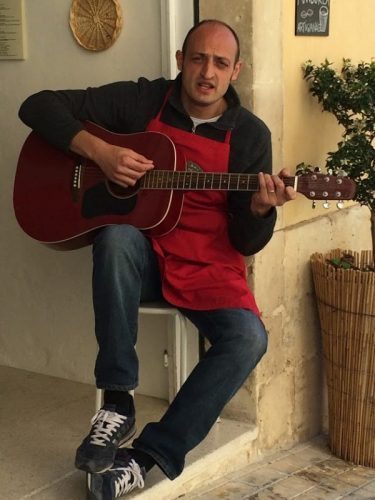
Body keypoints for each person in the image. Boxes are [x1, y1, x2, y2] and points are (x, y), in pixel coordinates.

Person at [19, 19, 296, 500]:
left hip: (209, 268)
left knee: (249, 338)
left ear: (236, 71)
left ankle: (145, 458)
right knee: (117, 238)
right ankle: (117, 401)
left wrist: (256, 208)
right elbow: (37, 105)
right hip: (145, 260)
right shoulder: (144, 100)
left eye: (220, 63)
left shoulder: (250, 136)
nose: (207, 72)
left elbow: (246, 243)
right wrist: (101, 153)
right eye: (198, 59)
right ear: (180, 62)